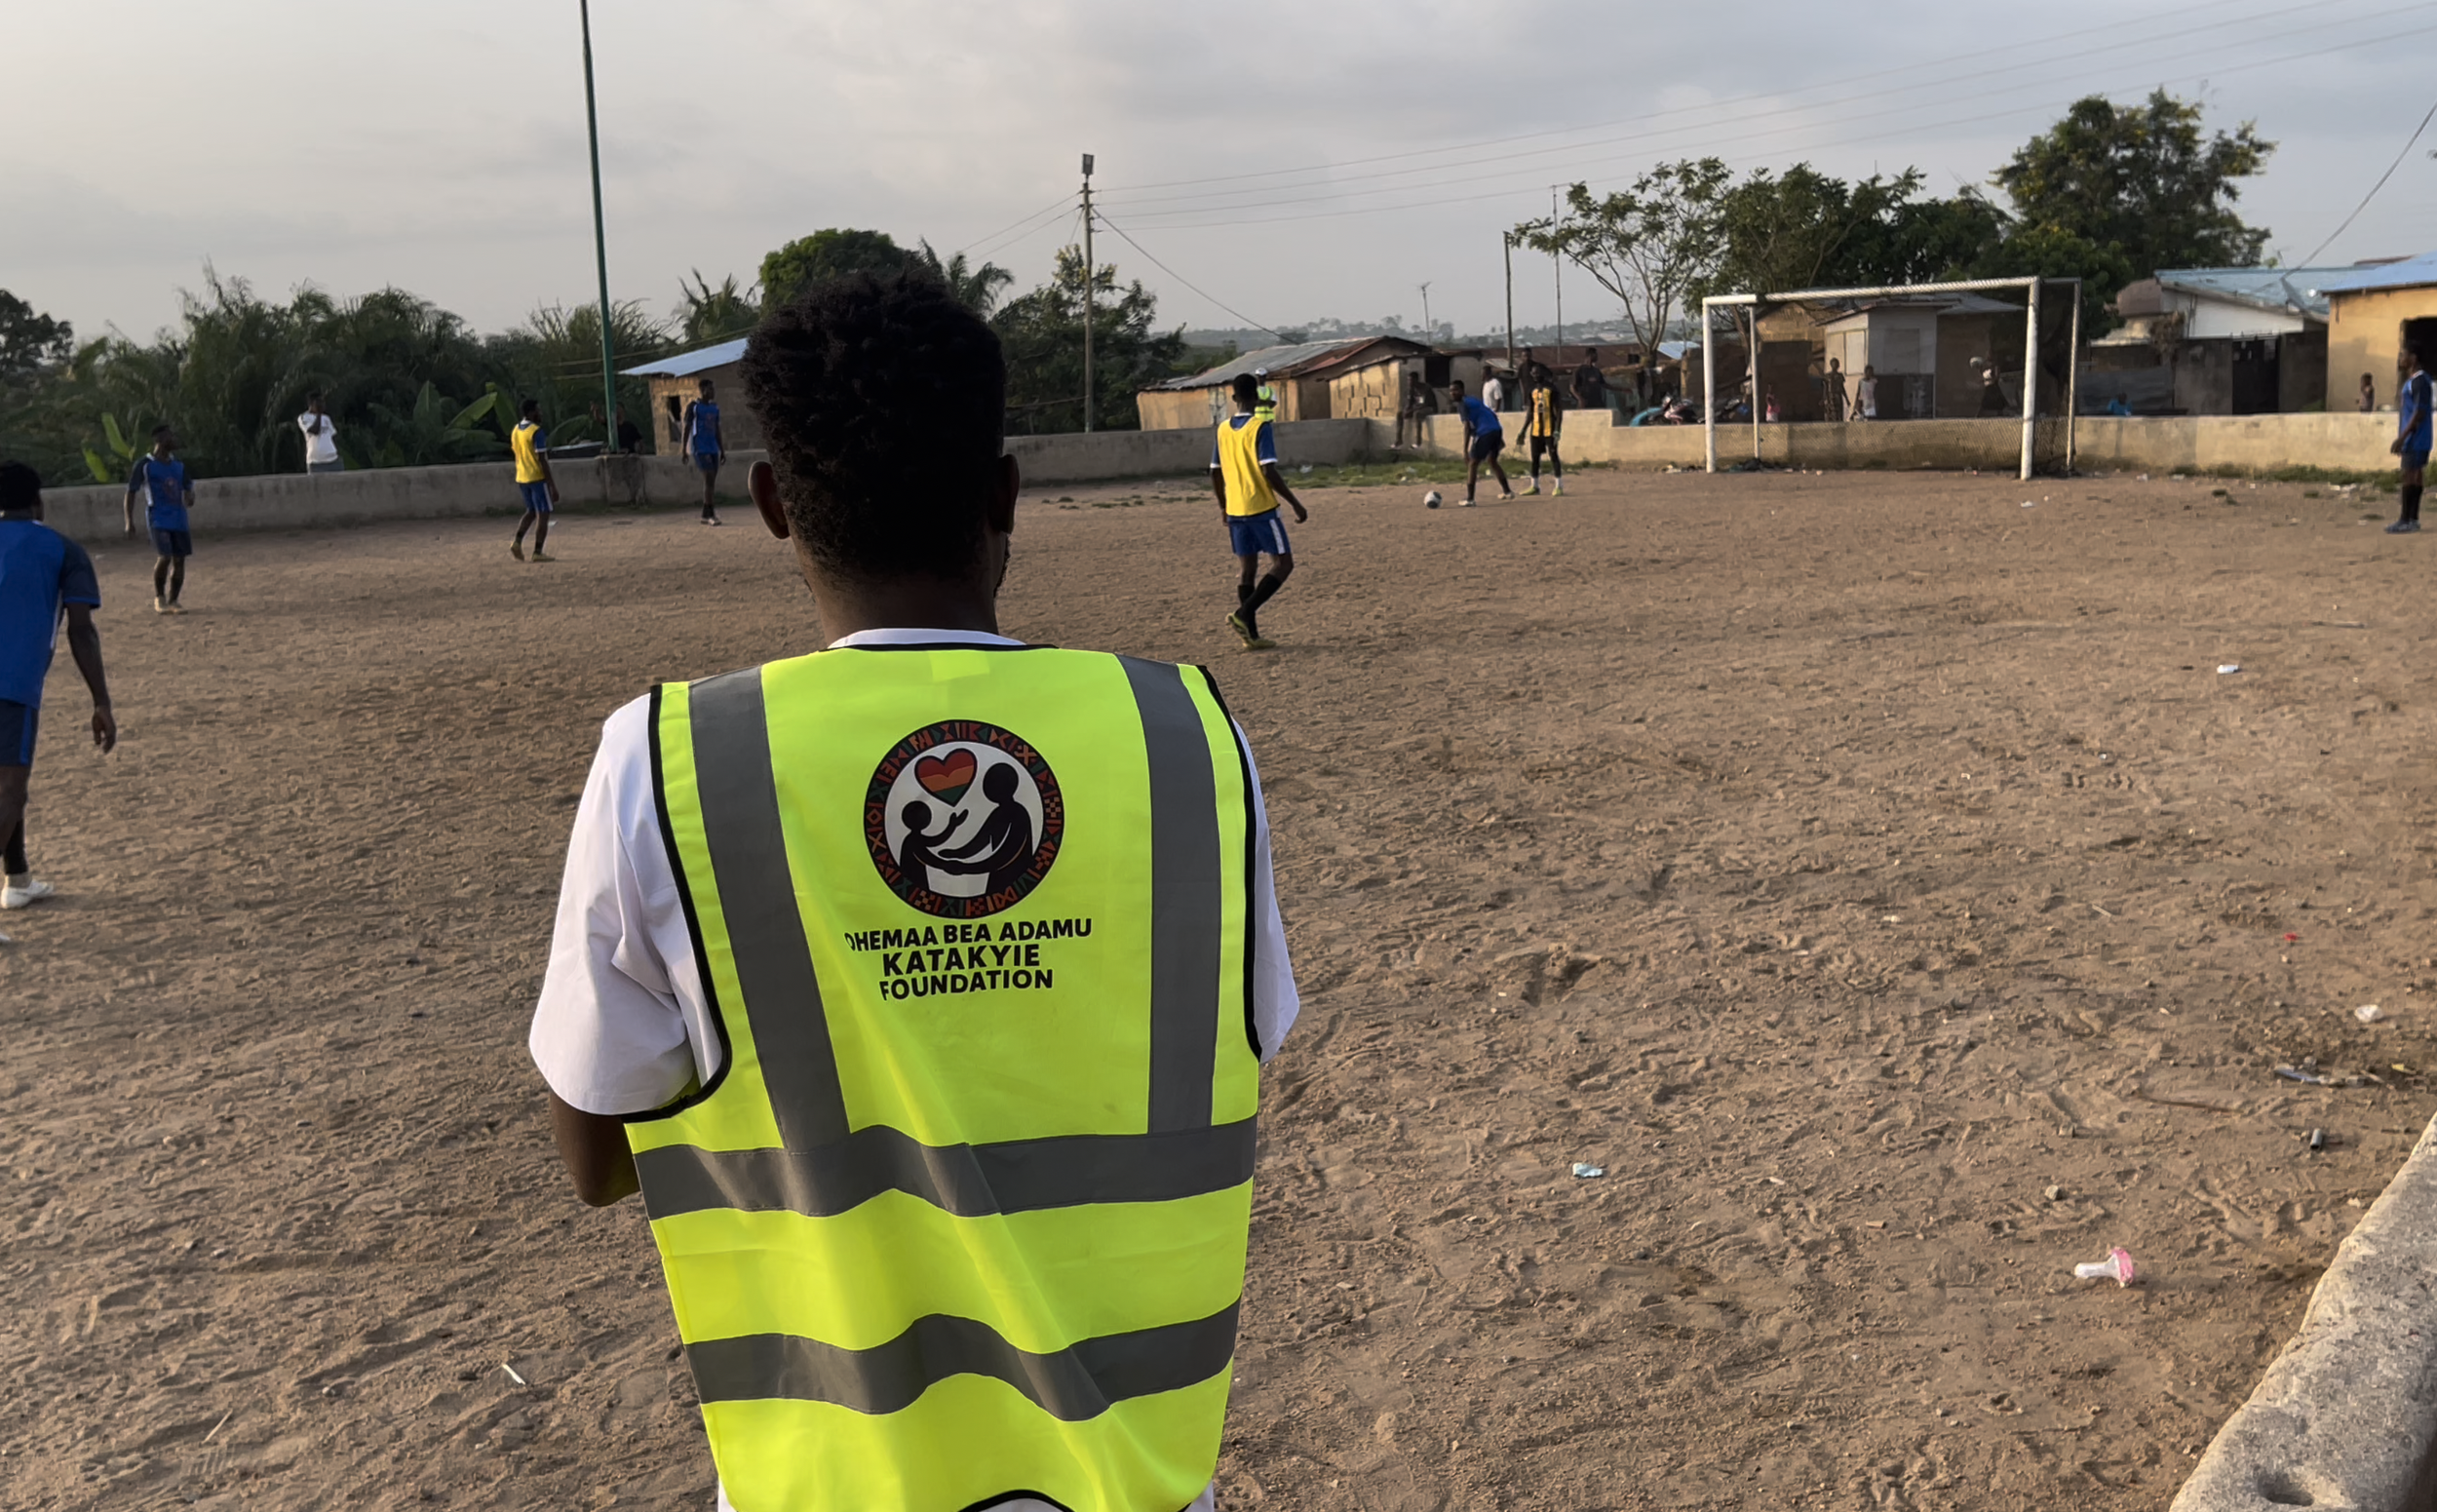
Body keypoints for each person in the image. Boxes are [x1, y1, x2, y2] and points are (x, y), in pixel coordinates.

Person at [528, 270, 1298, 1512]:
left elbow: (596, 1153)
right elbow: (1232, 1056)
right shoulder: (1186, 738)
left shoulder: (665, 760)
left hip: (829, 1481)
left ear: (775, 504)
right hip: (1129, 1482)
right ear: (1006, 496)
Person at [0, 462, 115, 941]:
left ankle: (18, 878)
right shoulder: (62, 549)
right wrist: (101, 702)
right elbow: (81, 630)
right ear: (39, 502)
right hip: (13, 685)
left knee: (9, 783)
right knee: (9, 789)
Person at [1212, 371, 1310, 650]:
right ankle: (1243, 615)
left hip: (1235, 509)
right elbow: (1269, 470)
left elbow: (1214, 473)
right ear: (1256, 397)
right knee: (1284, 564)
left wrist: (1222, 506)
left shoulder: (1222, 429)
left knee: (1247, 571)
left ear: (1234, 398)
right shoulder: (1260, 427)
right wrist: (1295, 502)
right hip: (1261, 507)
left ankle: (1251, 636)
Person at [123, 426, 196, 614]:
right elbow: (131, 492)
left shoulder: (178, 465)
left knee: (180, 559)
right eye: (171, 437)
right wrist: (129, 520)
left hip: (179, 518)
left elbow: (188, 487)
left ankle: (174, 600)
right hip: (158, 518)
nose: (175, 440)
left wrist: (190, 496)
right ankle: (160, 597)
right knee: (165, 557)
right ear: (161, 440)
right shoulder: (145, 465)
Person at [2385, 346, 2430, 534]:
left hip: (2415, 437)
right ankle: (2413, 519)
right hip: (2416, 436)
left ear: (2413, 357)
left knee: (2409, 474)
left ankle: (2405, 519)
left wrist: (2402, 437)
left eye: (2403, 355)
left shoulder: (2420, 381)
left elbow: (2419, 412)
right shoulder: (2412, 381)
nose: (2400, 359)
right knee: (2415, 474)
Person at [1450, 377, 1514, 506]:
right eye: (1451, 391)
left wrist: (1465, 450)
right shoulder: (1473, 400)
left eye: (1456, 390)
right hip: (1496, 430)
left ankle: (1470, 499)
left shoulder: (1463, 404)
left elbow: (1467, 427)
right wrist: (1499, 437)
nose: (1453, 393)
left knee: (1473, 463)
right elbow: (1491, 414)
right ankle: (1507, 492)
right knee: (1492, 460)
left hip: (1485, 432)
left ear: (1462, 390)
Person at [510, 399, 559, 562]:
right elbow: (542, 460)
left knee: (530, 511)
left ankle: (517, 541)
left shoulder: (516, 430)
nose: (541, 413)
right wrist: (552, 485)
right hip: (537, 477)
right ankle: (538, 551)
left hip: (522, 477)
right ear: (531, 413)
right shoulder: (536, 431)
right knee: (542, 514)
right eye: (538, 410)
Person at [682, 377, 727, 524]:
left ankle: (705, 512)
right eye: (710, 389)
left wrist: (722, 450)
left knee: (712, 481)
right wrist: (684, 449)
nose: (713, 392)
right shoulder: (694, 407)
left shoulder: (715, 408)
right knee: (708, 478)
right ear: (703, 391)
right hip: (700, 448)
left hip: (712, 447)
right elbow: (687, 428)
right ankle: (711, 514)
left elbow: (717, 430)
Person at [1519, 366, 1565, 496]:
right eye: (1533, 373)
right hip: (1536, 430)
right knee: (1535, 458)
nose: (1535, 375)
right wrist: (1523, 430)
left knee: (1553, 456)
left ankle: (1558, 486)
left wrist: (1557, 429)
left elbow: (1558, 410)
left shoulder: (1551, 389)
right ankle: (1534, 486)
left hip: (1549, 429)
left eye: (1537, 373)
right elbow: (1530, 412)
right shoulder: (1531, 390)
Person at [298, 391, 342, 474]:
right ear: (311, 403)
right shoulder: (304, 417)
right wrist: (318, 414)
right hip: (316, 462)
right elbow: (315, 431)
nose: (322, 404)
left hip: (332, 459)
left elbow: (332, 435)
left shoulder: (326, 418)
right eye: (319, 402)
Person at [1571, 348, 1610, 418]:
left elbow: (1603, 384)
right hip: (1585, 403)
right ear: (1590, 355)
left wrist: (1621, 389)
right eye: (1595, 354)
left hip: (1597, 403)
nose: (1597, 357)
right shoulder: (1579, 370)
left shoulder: (1596, 371)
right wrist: (1580, 399)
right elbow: (1572, 387)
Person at [1822, 358, 1847, 422]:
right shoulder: (1827, 376)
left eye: (1836, 364)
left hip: (1838, 396)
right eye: (1834, 364)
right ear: (1831, 365)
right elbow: (1825, 388)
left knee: (1839, 415)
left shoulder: (1840, 376)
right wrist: (1824, 398)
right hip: (1830, 397)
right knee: (1831, 415)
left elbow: (1842, 388)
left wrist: (1846, 399)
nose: (1835, 365)